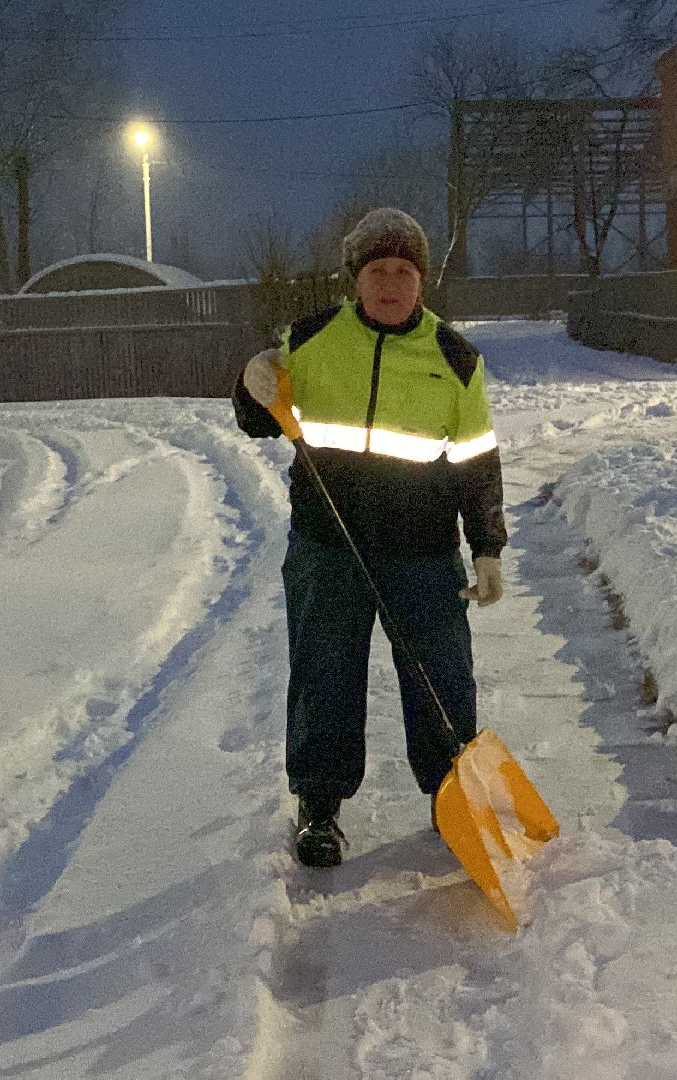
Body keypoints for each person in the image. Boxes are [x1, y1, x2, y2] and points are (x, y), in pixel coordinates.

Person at [232, 207, 507, 868]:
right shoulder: (311, 338)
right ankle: (320, 808)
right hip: (329, 548)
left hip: (423, 554)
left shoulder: (455, 359)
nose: (390, 283)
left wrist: (489, 547)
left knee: (442, 678)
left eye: (404, 271)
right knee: (325, 676)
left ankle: (453, 795)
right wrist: (251, 383)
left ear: (422, 281)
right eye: (378, 271)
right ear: (355, 279)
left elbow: (476, 463)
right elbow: (260, 422)